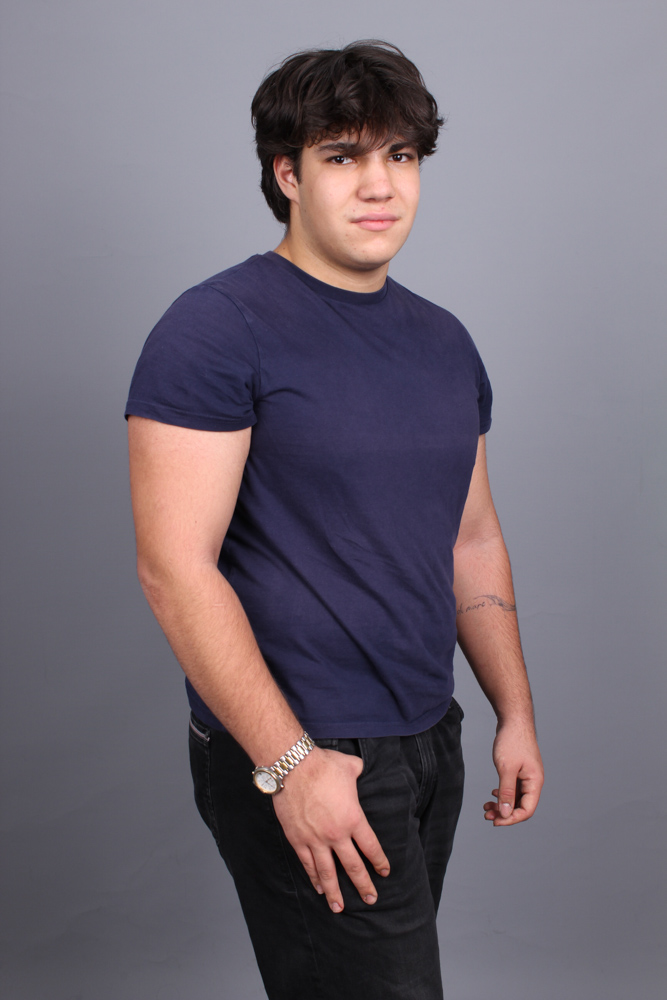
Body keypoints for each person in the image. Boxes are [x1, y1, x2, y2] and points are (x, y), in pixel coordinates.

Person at [125, 40, 544, 1000]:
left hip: (426, 735)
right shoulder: (216, 328)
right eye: (343, 156)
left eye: (400, 156)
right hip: (305, 744)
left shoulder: (444, 341)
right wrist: (290, 766)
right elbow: (173, 568)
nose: (379, 184)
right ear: (288, 174)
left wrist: (512, 712)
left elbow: (470, 537)